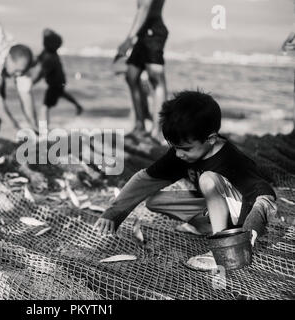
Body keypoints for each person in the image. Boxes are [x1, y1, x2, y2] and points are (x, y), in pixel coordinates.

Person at [94, 90, 278, 270]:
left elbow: (265, 196)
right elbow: (145, 179)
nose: (179, 154)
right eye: (174, 147)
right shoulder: (180, 154)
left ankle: (221, 248)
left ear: (211, 139)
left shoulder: (231, 160)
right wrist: (114, 212)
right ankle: (206, 227)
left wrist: (253, 226)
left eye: (185, 148)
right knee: (155, 200)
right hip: (213, 210)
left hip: (241, 221)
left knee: (207, 180)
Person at [116, 0, 168, 143]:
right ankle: (140, 126)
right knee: (131, 75)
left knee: (156, 79)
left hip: (153, 31)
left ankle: (157, 131)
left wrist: (128, 40)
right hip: (143, 33)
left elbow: (144, 8)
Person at [32, 28, 84, 129]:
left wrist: (32, 82)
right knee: (61, 93)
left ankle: (44, 129)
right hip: (60, 81)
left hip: (54, 84)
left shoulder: (49, 58)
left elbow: (42, 73)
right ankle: (77, 105)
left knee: (44, 107)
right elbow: (39, 58)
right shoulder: (52, 53)